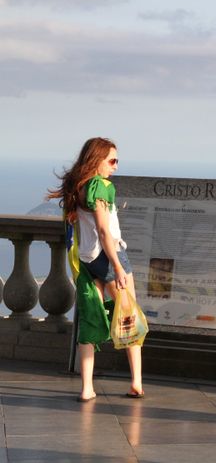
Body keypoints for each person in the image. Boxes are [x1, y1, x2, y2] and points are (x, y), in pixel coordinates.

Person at [48, 137, 144, 402]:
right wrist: (117, 265)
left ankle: (87, 388)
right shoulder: (99, 187)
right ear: (96, 160)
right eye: (112, 160)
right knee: (128, 315)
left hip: (88, 260)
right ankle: (136, 381)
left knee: (90, 319)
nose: (115, 166)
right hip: (109, 256)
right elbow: (104, 230)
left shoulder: (77, 187)